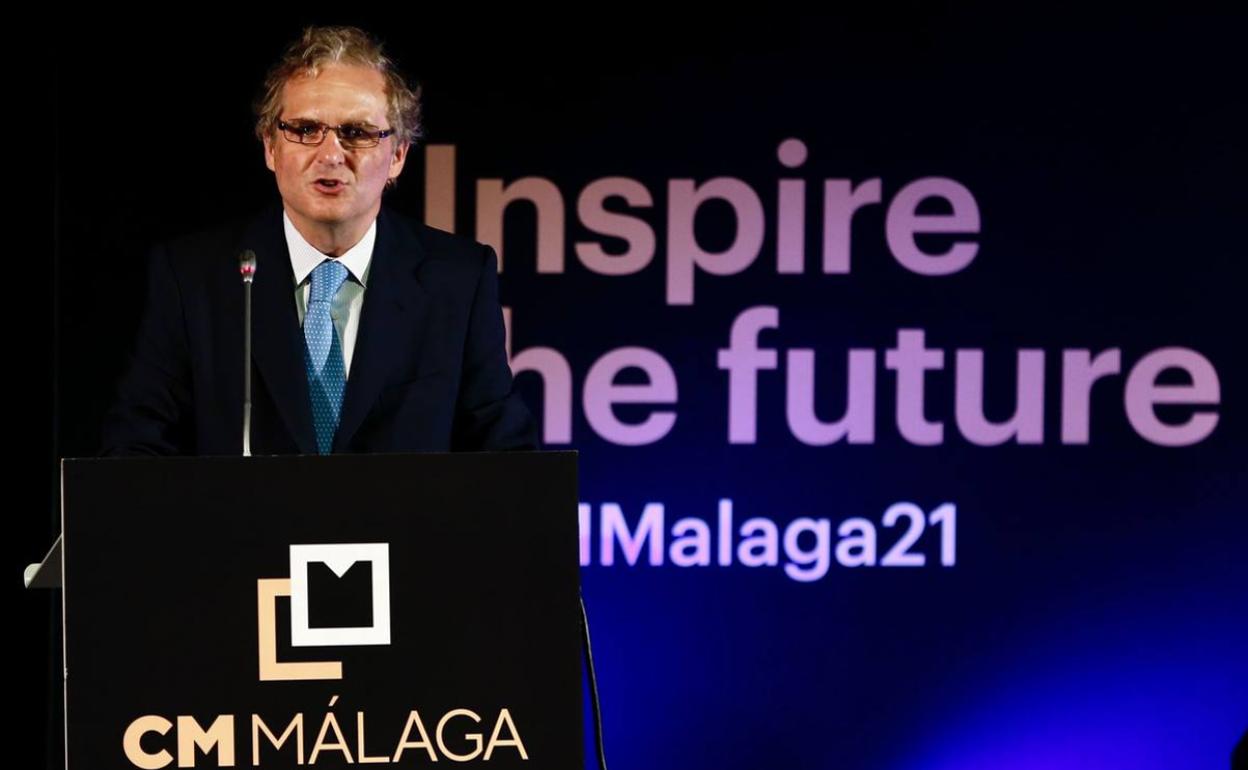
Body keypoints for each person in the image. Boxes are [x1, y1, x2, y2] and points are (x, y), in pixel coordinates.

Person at [102, 25, 537, 456]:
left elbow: (505, 457)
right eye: (306, 130)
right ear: (271, 147)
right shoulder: (193, 278)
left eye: (357, 132)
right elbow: (136, 452)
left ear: (398, 156)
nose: (330, 155)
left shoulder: (457, 280)